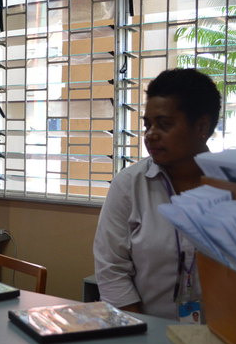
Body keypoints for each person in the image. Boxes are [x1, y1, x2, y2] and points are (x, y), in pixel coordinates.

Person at [93, 68, 221, 321]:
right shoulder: (129, 185)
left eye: (164, 124)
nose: (150, 135)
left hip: (222, 338)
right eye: (147, 124)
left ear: (202, 127)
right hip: (144, 333)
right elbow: (111, 268)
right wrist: (143, 332)